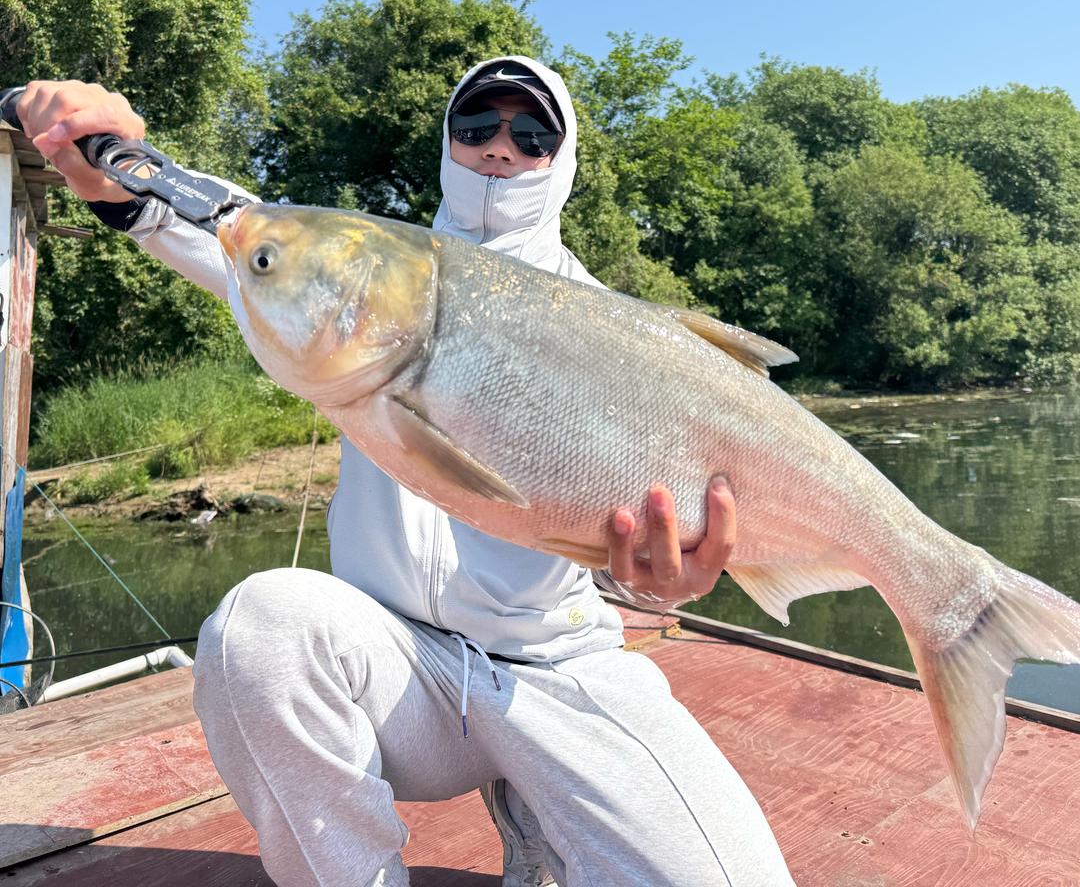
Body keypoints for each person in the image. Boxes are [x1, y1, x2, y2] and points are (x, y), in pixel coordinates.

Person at [19, 59, 795, 887]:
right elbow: (238, 228)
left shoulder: (611, 326)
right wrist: (113, 161)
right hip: (400, 676)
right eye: (477, 128)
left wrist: (658, 586)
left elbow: (645, 563)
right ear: (447, 143)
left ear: (561, 160)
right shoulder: (359, 268)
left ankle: (543, 807)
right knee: (264, 621)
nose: (501, 149)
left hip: (559, 669)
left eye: (532, 135)